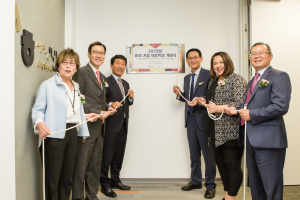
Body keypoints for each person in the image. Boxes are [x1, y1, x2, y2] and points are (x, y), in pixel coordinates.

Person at [32, 48, 102, 200]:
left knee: (67, 178)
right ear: (58, 65)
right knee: (52, 180)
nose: (68, 66)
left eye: (72, 63)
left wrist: (85, 116)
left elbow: (74, 110)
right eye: (65, 62)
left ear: (76, 67)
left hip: (72, 134)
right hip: (54, 135)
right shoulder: (48, 85)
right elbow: (37, 111)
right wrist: (40, 124)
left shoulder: (76, 86)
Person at [227, 42, 291, 200]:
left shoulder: (279, 76)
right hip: (250, 141)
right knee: (256, 186)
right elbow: (246, 108)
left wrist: (252, 114)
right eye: (253, 54)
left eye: (261, 52)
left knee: (272, 188)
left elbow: (280, 106)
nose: (256, 56)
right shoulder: (252, 81)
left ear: (270, 56)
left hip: (269, 141)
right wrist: (232, 110)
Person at [192, 52, 247, 200]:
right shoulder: (213, 81)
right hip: (214, 131)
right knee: (221, 166)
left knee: (232, 166)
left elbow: (238, 106)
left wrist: (218, 108)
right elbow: (212, 102)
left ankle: (231, 197)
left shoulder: (237, 80)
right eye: (215, 63)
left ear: (227, 62)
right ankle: (227, 194)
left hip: (231, 131)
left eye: (221, 62)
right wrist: (202, 101)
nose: (218, 66)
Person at [72, 41, 114, 200]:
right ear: (89, 54)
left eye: (101, 53)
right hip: (86, 127)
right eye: (95, 52)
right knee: (81, 167)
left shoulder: (101, 76)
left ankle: (92, 196)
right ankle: (77, 197)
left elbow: (99, 100)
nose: (98, 55)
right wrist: (97, 112)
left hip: (99, 128)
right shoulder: (81, 72)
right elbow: (78, 98)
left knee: (95, 167)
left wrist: (107, 108)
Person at [173, 48, 216, 199]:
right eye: (190, 58)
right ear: (187, 61)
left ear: (201, 58)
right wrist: (180, 94)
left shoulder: (209, 74)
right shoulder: (186, 78)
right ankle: (196, 181)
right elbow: (189, 97)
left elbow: (212, 95)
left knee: (208, 155)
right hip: (190, 119)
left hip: (204, 119)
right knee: (194, 154)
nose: (192, 60)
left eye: (195, 57)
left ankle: (210, 185)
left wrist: (200, 100)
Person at [100, 55, 134, 198]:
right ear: (111, 66)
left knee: (118, 156)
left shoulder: (125, 83)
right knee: (107, 157)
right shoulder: (105, 81)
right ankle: (104, 184)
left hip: (123, 125)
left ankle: (115, 180)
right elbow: (102, 100)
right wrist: (110, 104)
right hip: (111, 125)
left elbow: (128, 102)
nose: (120, 66)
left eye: (123, 64)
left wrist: (131, 97)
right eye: (117, 63)